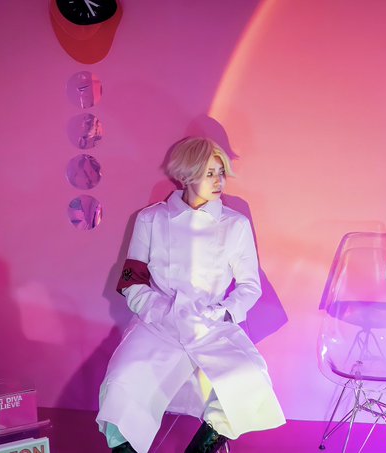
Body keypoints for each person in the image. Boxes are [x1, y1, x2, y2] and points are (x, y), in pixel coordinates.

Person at [96, 137, 286, 453]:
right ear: (186, 175)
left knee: (250, 379)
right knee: (121, 386)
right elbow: (132, 281)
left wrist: (223, 312)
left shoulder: (235, 225)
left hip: (210, 325)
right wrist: (160, 311)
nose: (219, 181)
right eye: (209, 173)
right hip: (158, 325)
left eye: (221, 172)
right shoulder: (151, 219)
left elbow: (250, 286)